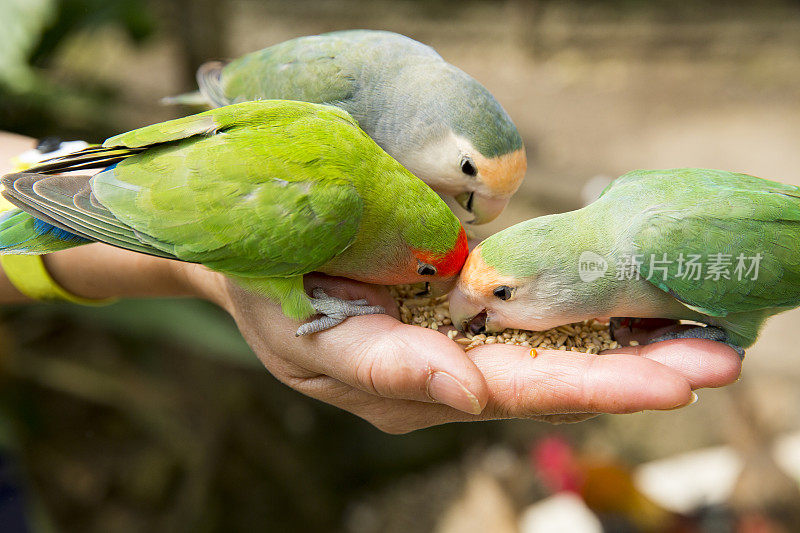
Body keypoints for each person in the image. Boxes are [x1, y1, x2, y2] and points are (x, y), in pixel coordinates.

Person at [0, 132, 742, 433]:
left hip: (113, 175)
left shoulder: (346, 146)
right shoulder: (320, 214)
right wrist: (305, 303)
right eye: (425, 273)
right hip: (102, 200)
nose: (426, 287)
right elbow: (227, 249)